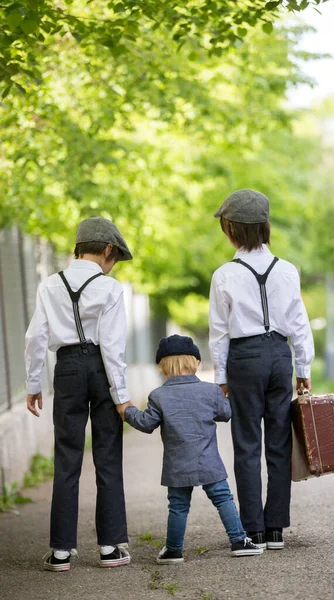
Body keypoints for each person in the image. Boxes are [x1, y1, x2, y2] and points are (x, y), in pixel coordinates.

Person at [209, 189, 315, 550]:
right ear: (265, 226)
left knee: (246, 443)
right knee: (279, 441)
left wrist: (220, 377)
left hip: (244, 358)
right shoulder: (287, 270)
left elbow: (219, 331)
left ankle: (251, 529)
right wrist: (303, 365)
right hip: (279, 355)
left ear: (232, 230)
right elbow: (299, 322)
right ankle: (275, 529)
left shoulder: (224, 274)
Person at [25, 217, 133, 571]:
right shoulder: (111, 289)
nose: (111, 264)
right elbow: (114, 347)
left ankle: (60, 551)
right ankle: (108, 548)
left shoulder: (49, 285)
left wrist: (32, 384)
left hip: (67, 369)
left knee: (67, 458)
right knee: (107, 456)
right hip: (101, 370)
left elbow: (35, 338)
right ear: (106, 250)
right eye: (113, 257)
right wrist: (121, 396)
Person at [116, 334, 263, 563]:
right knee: (223, 498)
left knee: (178, 506)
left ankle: (174, 549)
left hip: (177, 465)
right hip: (209, 462)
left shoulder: (158, 396)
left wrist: (127, 410)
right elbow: (226, 414)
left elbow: (146, 424)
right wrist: (226, 396)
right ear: (195, 362)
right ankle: (239, 540)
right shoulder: (210, 391)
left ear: (161, 366)